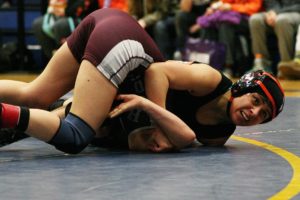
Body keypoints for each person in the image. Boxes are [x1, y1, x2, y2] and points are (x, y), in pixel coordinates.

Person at [0, 9, 284, 153]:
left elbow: (181, 138)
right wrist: (156, 121)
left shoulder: (218, 135)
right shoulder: (209, 79)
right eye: (256, 101)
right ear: (242, 87)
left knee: (34, 95)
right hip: (125, 43)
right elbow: (156, 72)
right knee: (75, 136)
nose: (254, 113)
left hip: (112, 30)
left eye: (264, 115)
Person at [189, 0, 262, 77]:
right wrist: (214, 8)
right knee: (207, 26)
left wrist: (232, 7)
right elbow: (224, 2)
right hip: (229, 15)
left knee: (225, 25)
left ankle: (228, 66)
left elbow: (254, 8)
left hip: (247, 18)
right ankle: (207, 64)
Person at [248, 0, 300, 75]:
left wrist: (277, 12)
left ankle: (285, 64)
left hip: (295, 12)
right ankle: (261, 62)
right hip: (275, 13)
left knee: (282, 20)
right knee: (255, 19)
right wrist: (272, 12)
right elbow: (270, 2)